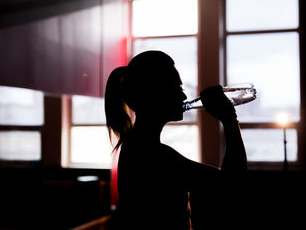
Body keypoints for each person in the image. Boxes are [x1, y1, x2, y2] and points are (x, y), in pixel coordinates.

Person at [104, 50, 247, 230]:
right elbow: (232, 184)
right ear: (154, 93)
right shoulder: (153, 155)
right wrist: (229, 119)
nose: (184, 97)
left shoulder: (136, 145)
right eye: (177, 89)